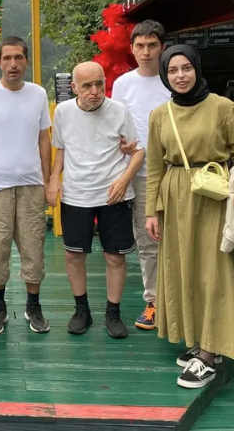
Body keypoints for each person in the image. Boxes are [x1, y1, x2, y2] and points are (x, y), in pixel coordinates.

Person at [145, 45, 234, 389]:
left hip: (213, 196)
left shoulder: (223, 107)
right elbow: (154, 166)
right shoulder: (159, 115)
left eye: (186, 68)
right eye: (173, 70)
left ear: (197, 69)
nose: (180, 76)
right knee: (184, 269)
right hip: (175, 196)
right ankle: (202, 339)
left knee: (214, 270)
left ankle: (207, 355)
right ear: (165, 75)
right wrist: (151, 211)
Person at [48, 62, 144, 339]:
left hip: (114, 194)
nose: (94, 91)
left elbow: (138, 151)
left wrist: (124, 180)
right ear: (74, 87)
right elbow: (61, 149)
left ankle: (113, 313)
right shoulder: (64, 112)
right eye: (87, 86)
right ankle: (82, 310)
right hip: (77, 193)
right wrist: (54, 178)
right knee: (73, 254)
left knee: (115, 256)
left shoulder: (119, 111)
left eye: (99, 84)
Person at [0, 36, 52, 335]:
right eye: (7, 58)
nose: (13, 64)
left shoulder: (38, 94)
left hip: (31, 184)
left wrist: (48, 181)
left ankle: (33, 305)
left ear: (26, 61)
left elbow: (44, 139)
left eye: (18, 57)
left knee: (33, 247)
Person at [111, 20, 171, 330]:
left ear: (162, 47)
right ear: (132, 49)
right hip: (137, 172)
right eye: (140, 46)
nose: (146, 52)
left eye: (152, 45)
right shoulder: (123, 84)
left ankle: (178, 299)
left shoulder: (173, 79)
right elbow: (116, 123)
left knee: (177, 236)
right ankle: (154, 302)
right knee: (148, 239)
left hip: (173, 171)